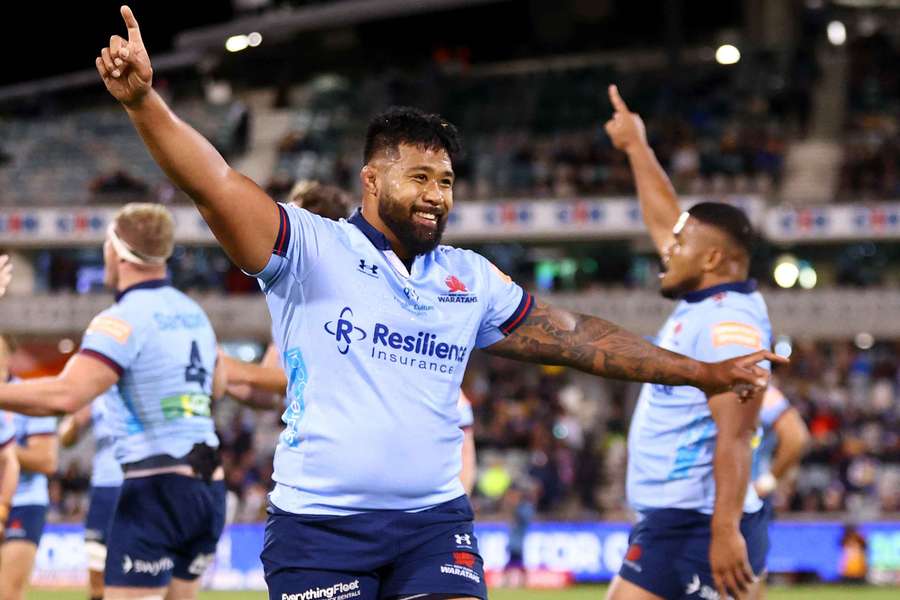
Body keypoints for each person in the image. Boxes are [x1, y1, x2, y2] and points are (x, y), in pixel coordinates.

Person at [95, 10, 781, 599]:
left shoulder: (469, 279)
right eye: (419, 175)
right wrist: (143, 104)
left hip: (434, 524)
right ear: (370, 180)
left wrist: (705, 373)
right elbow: (215, 183)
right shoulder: (309, 249)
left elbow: (581, 340)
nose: (436, 193)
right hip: (319, 529)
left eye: (447, 180)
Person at [0, 203, 226, 600]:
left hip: (156, 485)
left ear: (115, 251)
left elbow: (63, 396)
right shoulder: (193, 313)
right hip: (209, 487)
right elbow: (217, 385)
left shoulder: (120, 319)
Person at [604, 85, 778, 600]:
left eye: (679, 246)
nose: (666, 249)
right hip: (686, 516)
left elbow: (735, 436)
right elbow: (665, 219)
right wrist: (637, 147)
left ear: (710, 261)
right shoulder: (706, 301)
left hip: (696, 520)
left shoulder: (730, 329)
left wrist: (723, 533)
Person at [0, 336, 58, 600]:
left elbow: (47, 460)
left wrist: (7, 450)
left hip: (23, 503)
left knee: (8, 592)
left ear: (9, 357)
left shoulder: (27, 398)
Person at [58, 388, 125, 600]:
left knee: (140, 562)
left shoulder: (145, 385)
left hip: (138, 481)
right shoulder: (98, 394)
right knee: (96, 561)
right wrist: (75, 420)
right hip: (104, 485)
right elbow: (65, 439)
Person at [751, 385, 809, 600]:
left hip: (746, 499)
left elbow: (796, 436)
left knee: (748, 575)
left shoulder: (761, 390)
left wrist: (767, 481)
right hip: (725, 495)